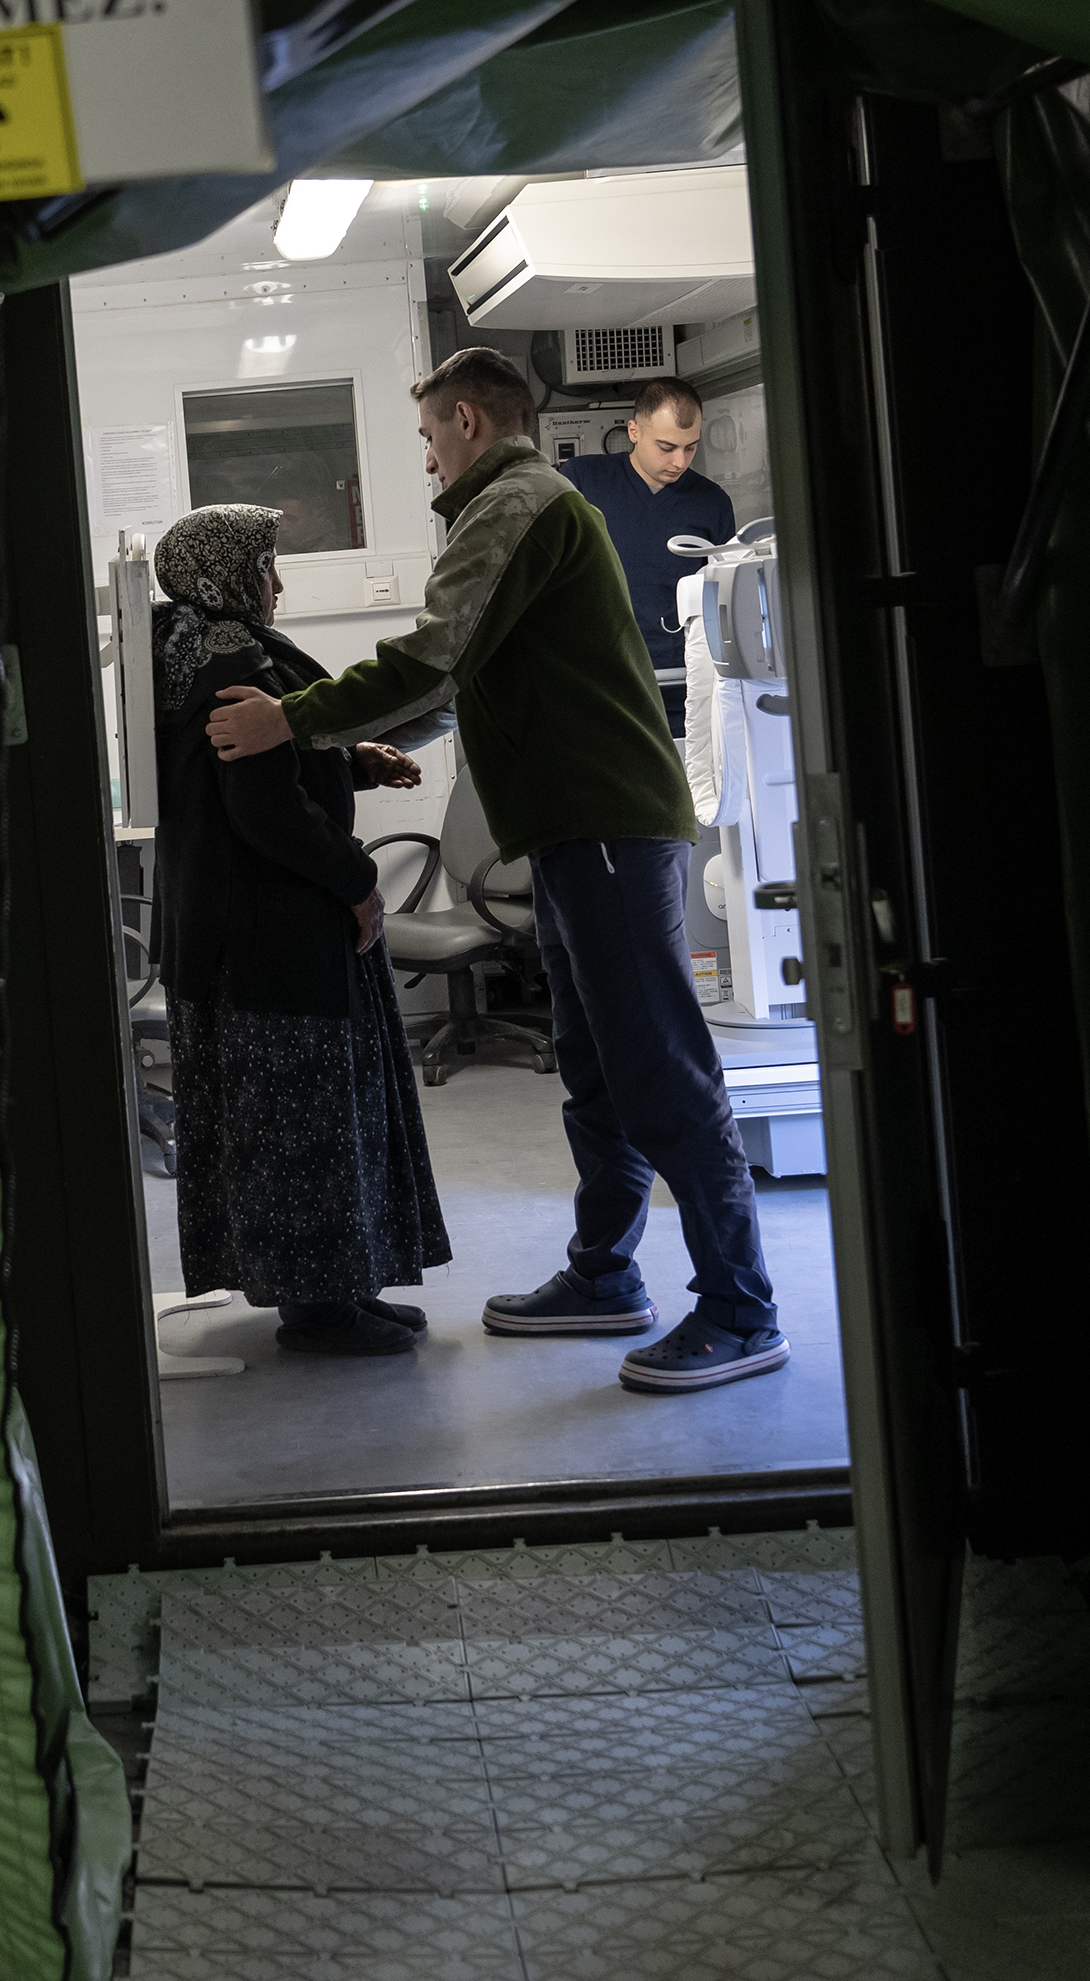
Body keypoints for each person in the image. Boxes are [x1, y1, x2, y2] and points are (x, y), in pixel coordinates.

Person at [203, 347, 782, 1396]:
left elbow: (432, 652)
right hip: (569, 826)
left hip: (605, 821)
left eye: (427, 436)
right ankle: (605, 1275)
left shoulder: (515, 502)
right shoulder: (512, 506)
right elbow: (467, 681)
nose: (425, 457)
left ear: (466, 418)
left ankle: (741, 1308)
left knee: (659, 1066)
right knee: (597, 1065)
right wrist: (357, 748)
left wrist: (289, 717)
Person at [144, 506, 451, 1358]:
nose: (277, 583)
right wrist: (359, 884)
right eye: (268, 565)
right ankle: (321, 1308)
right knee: (303, 1120)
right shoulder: (227, 658)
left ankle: (337, 1288)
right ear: (227, 569)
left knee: (292, 1116)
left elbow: (261, 761)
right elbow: (263, 807)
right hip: (269, 937)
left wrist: (352, 761)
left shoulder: (190, 648)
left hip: (234, 938)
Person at [561, 375, 736, 728]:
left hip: (679, 687)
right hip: (598, 684)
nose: (680, 461)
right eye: (666, 446)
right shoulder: (581, 481)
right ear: (634, 431)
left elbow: (726, 599)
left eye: (691, 447)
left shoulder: (712, 504)